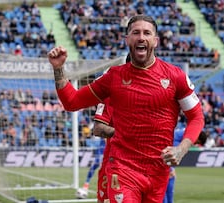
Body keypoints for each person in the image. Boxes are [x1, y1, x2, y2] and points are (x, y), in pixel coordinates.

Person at [48, 15, 205, 202]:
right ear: (127, 40)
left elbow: (196, 117)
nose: (141, 37)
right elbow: (72, 102)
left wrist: (182, 148)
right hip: (123, 167)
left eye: (147, 33)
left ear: (155, 41)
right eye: (135, 32)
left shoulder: (175, 76)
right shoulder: (113, 77)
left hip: (158, 171)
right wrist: (58, 69)